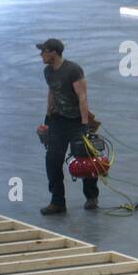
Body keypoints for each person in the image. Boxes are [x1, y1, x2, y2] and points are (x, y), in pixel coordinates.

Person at [36, 38, 99, 215]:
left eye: (44, 51)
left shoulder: (73, 70)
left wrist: (85, 124)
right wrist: (47, 118)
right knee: (52, 161)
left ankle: (91, 196)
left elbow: (82, 97)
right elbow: (52, 92)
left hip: (77, 122)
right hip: (58, 121)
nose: (41, 54)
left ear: (54, 53)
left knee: (85, 160)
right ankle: (57, 202)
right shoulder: (48, 71)